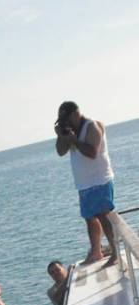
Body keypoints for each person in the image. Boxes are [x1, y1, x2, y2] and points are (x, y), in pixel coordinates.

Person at [55, 101, 117, 267]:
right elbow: (60, 152)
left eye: (66, 119)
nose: (65, 123)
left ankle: (115, 252)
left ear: (75, 113)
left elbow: (92, 152)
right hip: (84, 183)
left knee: (104, 216)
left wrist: (74, 140)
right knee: (90, 218)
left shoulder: (92, 126)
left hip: (100, 180)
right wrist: (62, 136)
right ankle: (96, 251)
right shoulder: (70, 131)